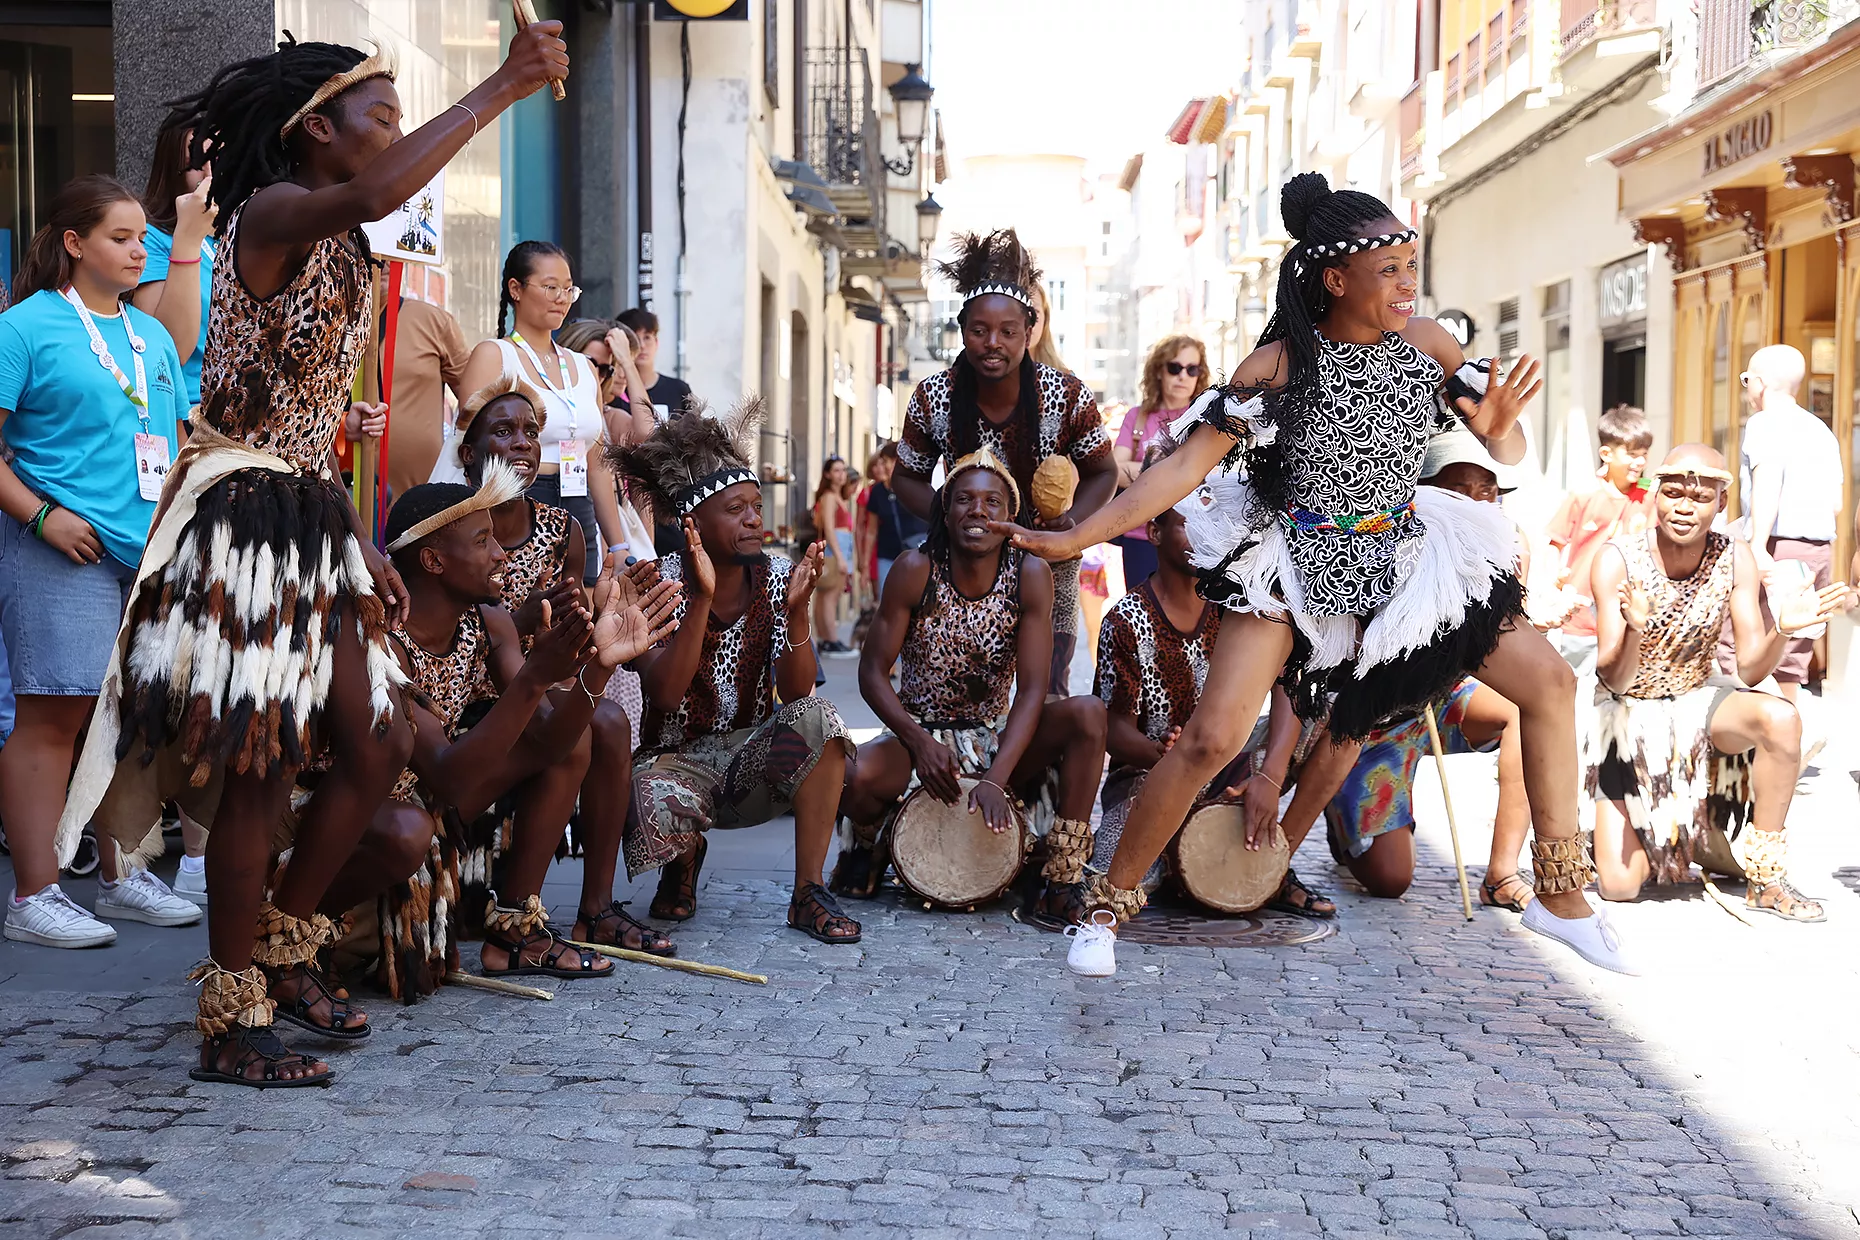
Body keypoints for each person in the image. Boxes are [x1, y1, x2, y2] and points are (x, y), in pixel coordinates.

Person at [58, 25, 570, 1087]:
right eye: (377, 113)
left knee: (376, 740)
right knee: (259, 773)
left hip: (306, 517)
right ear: (315, 130)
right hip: (245, 520)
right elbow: (380, 193)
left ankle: (286, 947)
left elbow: (308, 422)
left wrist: (352, 536)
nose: (390, 129)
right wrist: (508, 81)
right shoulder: (278, 212)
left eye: (395, 113)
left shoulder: (343, 244)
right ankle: (229, 1016)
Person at [999, 172, 1627, 980]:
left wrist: (1500, 432)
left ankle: (1562, 893)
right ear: (1336, 278)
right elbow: (1182, 469)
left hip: (1406, 558)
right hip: (1292, 563)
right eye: (1391, 268)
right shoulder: (1279, 365)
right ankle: (1104, 910)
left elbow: (1502, 448)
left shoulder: (1431, 346)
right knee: (1211, 739)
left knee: (1548, 683)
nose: (1408, 284)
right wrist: (1074, 539)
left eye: (1412, 266)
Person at [384, 465, 679, 982]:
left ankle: (514, 929)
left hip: (441, 791)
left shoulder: (488, 618)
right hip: (385, 809)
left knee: (574, 743)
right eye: (483, 541)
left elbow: (552, 738)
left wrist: (600, 664)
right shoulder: (382, 636)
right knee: (414, 818)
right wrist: (534, 678)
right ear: (432, 560)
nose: (501, 555)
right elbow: (446, 776)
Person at [0, 176, 197, 948]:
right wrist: (42, 518)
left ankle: (123, 877)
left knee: (133, 719)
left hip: (143, 554)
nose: (137, 250)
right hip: (62, 549)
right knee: (55, 716)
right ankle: (34, 895)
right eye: (120, 238)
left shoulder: (148, 337)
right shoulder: (26, 326)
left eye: (142, 238)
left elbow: (174, 444)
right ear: (74, 243)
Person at [610, 398, 861, 946]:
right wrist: (699, 599)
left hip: (748, 760)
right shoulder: (658, 583)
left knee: (823, 721)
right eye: (737, 509)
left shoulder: (773, 577)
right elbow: (665, 695)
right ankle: (684, 857)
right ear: (693, 522)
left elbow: (797, 698)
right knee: (640, 792)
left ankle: (808, 894)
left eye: (756, 505)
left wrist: (797, 612)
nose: (755, 519)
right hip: (671, 765)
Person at [836, 449, 1109, 922]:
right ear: (945, 510)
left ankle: (1062, 876)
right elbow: (871, 674)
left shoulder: (1029, 575)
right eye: (963, 499)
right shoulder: (914, 569)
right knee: (857, 774)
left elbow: (1031, 690)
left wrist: (997, 779)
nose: (977, 511)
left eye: (991, 502)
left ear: (1010, 514)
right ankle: (868, 846)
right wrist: (919, 741)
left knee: (1086, 713)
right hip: (919, 732)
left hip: (996, 733)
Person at [453, 372, 674, 955]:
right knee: (578, 732)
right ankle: (514, 919)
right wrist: (532, 626)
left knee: (610, 722)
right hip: (469, 694)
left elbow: (569, 633)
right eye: (504, 431)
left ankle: (596, 909)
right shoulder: (447, 523)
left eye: (531, 431)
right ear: (469, 452)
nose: (523, 442)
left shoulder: (563, 529)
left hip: (541, 680)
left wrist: (600, 625)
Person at [1589, 445, 1846, 920]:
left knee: (1781, 718)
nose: (1684, 508)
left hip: (1696, 699)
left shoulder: (1736, 556)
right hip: (1627, 714)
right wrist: (1636, 631)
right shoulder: (1617, 559)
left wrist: (1782, 630)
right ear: (1654, 497)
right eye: (1672, 494)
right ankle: (1651, 830)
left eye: (1700, 497)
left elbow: (1748, 670)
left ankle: (1766, 877)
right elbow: (1613, 677)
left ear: (1720, 505)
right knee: (1621, 886)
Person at [1278, 431, 1530, 909]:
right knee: (1391, 879)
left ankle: (1501, 873)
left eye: (1488, 491)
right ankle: (1340, 812)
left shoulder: (1508, 549)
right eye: (1460, 489)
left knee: (1521, 709)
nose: (1477, 503)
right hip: (1364, 725)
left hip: (1441, 699)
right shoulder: (1383, 542)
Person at [1090, 471, 1328, 919]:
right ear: (1155, 532)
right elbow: (1111, 728)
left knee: (1335, 718)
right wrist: (1162, 753)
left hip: (1227, 767)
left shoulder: (1241, 607)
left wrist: (1269, 776)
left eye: (1209, 517)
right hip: (1147, 774)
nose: (1202, 530)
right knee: (1109, 874)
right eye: (1185, 522)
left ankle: (1274, 866)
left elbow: (1288, 684)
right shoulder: (1124, 618)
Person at [894, 230, 1117, 695]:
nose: (993, 342)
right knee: (968, 694)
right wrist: (951, 515)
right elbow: (905, 477)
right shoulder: (934, 396)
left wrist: (1070, 522)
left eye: (1007, 331)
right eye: (980, 330)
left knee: (1049, 694)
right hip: (960, 568)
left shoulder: (1067, 395)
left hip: (1049, 562)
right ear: (963, 330)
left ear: (1028, 331)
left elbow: (1104, 472)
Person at [454, 241, 627, 583]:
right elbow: (469, 450)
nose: (561, 298)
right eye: (550, 287)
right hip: (515, 500)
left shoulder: (583, 366)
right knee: (518, 614)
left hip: (578, 500)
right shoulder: (494, 355)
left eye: (568, 289)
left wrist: (618, 544)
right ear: (516, 289)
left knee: (578, 613)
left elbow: (597, 463)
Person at [1726, 344, 1843, 700]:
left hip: (1777, 546)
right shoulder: (1820, 430)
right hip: (1817, 550)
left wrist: (1757, 546)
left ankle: (1761, 740)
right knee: (1792, 654)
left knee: (1749, 648)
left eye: (1746, 379)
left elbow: (1768, 481)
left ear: (1758, 383)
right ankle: (1787, 743)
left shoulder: (1764, 422)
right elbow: (1836, 503)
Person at [1544, 404, 1653, 675]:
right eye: (1631, 454)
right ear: (1606, 453)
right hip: (1582, 618)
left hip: (1627, 613)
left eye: (1644, 455)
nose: (1639, 463)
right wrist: (1553, 582)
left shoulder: (1649, 492)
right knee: (1579, 683)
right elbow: (1554, 542)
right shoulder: (1584, 493)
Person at [132, 110, 218, 422]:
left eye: (221, 154)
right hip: (191, 415)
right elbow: (168, 349)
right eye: (199, 157)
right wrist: (189, 237)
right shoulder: (149, 238)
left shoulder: (240, 233)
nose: (211, 170)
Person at [1111, 336, 1211, 589]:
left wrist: (1147, 470)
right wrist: (1176, 469)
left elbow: (1210, 475)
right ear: (1159, 371)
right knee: (1142, 615)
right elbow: (1115, 470)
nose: (1183, 376)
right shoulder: (1138, 417)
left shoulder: (1205, 419)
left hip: (1192, 535)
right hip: (1139, 534)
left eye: (1192, 369)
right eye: (1174, 367)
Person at [363, 263, 469, 499]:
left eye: (391, 256)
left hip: (421, 498)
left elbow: (477, 401)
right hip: (340, 492)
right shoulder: (328, 321)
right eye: (373, 254)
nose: (382, 263)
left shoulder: (433, 321)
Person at [616, 306, 693, 418]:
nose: (641, 345)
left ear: (656, 342)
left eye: (647, 337)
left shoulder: (679, 390)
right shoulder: (616, 391)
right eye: (634, 339)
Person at [813, 456, 855, 654]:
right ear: (828, 474)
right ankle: (830, 639)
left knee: (828, 595)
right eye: (837, 470)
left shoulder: (839, 496)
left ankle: (826, 638)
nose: (841, 474)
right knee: (829, 595)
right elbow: (829, 528)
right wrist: (840, 557)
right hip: (835, 549)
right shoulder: (829, 496)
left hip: (840, 547)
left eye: (843, 470)